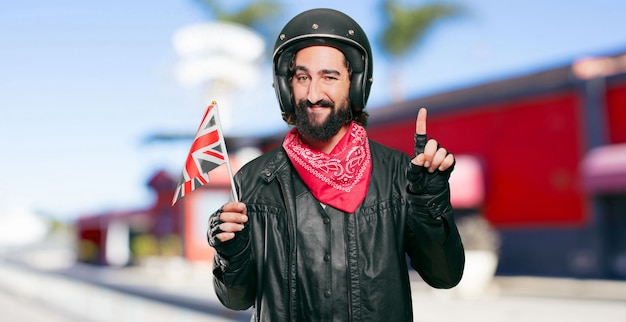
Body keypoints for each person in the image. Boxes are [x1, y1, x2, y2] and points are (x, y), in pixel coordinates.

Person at [207, 8, 464, 321]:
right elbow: (236, 299)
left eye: (329, 77)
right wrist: (231, 251)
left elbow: (445, 275)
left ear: (354, 85)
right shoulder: (253, 180)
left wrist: (429, 203)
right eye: (302, 77)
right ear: (287, 88)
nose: (314, 93)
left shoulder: (399, 173)